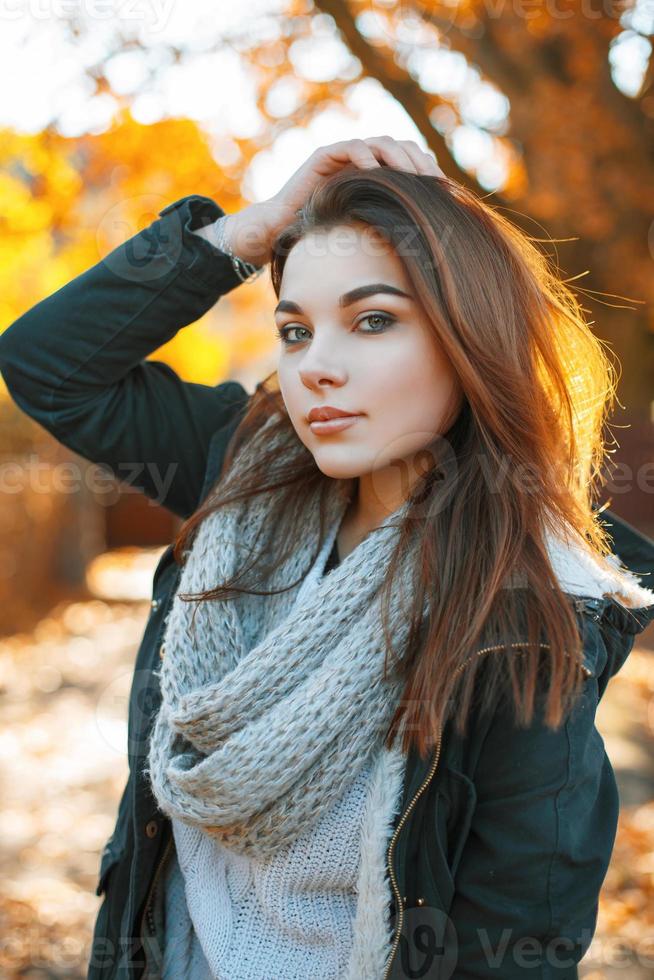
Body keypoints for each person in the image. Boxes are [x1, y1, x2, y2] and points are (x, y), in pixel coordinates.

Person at [1, 135, 653, 980]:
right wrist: (248, 232)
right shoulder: (241, 465)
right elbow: (47, 367)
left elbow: (514, 950)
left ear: (470, 338)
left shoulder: (527, 615)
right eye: (295, 330)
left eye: (373, 320)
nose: (318, 368)